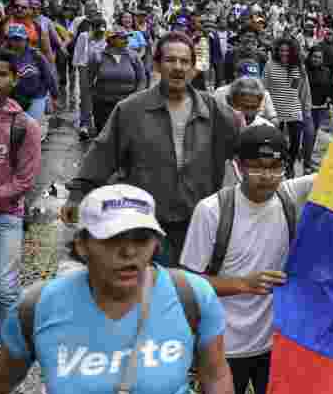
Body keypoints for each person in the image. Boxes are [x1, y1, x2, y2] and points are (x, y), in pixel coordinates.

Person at [0, 184, 260, 394]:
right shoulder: (38, 307)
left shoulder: (190, 295)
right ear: (82, 245)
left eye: (140, 239)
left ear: (155, 243)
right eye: (112, 239)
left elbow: (215, 374)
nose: (129, 252)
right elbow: (1, 380)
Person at [180, 125, 315, 394]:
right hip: (223, 348)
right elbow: (189, 282)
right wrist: (243, 284)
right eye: (257, 168)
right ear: (238, 167)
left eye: (276, 168)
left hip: (275, 344)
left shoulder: (289, 198)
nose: (268, 177)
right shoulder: (212, 211)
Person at [63, 32, 241, 264]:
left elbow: (245, 149)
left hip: (198, 222)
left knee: (192, 290)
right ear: (157, 64)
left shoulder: (214, 109)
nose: (178, 67)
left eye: (185, 61)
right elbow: (103, 153)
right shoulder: (131, 110)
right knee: (151, 289)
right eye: (170, 60)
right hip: (147, 222)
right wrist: (77, 195)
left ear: (193, 67)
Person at [0, 49, 40, 394]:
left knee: (5, 290)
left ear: (13, 79)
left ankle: (8, 365)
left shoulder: (24, 125)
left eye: (1, 74)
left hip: (6, 217)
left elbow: (24, 181)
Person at [263, 38, 311, 179]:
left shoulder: (298, 67)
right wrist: (263, 110)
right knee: (276, 142)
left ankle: (289, 164)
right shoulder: (270, 65)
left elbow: (303, 90)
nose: (284, 53)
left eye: (287, 51)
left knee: (295, 142)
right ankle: (277, 163)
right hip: (274, 110)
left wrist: (306, 110)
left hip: (294, 109)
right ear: (277, 51)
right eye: (281, 50)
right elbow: (264, 88)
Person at [88, 30, 147, 137]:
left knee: (126, 136)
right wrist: (92, 100)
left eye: (126, 38)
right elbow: (89, 80)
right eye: (122, 38)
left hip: (127, 105)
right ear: (111, 40)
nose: (126, 40)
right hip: (103, 105)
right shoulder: (98, 56)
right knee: (104, 137)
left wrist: (136, 97)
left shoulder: (133, 56)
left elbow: (142, 80)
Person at [4, 22, 58, 126]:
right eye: (13, 39)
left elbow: (48, 76)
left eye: (19, 39)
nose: (16, 42)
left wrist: (54, 96)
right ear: (9, 40)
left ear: (26, 40)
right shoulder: (6, 56)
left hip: (37, 95)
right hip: (14, 97)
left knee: (31, 126)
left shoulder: (36, 55)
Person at [303, 49, 333, 174]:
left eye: (319, 57)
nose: (316, 59)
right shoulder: (303, 70)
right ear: (310, 57)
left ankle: (307, 155)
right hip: (306, 107)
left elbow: (330, 87)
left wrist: (330, 100)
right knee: (309, 133)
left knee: (314, 134)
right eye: (314, 57)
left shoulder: (326, 71)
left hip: (320, 107)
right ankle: (307, 162)